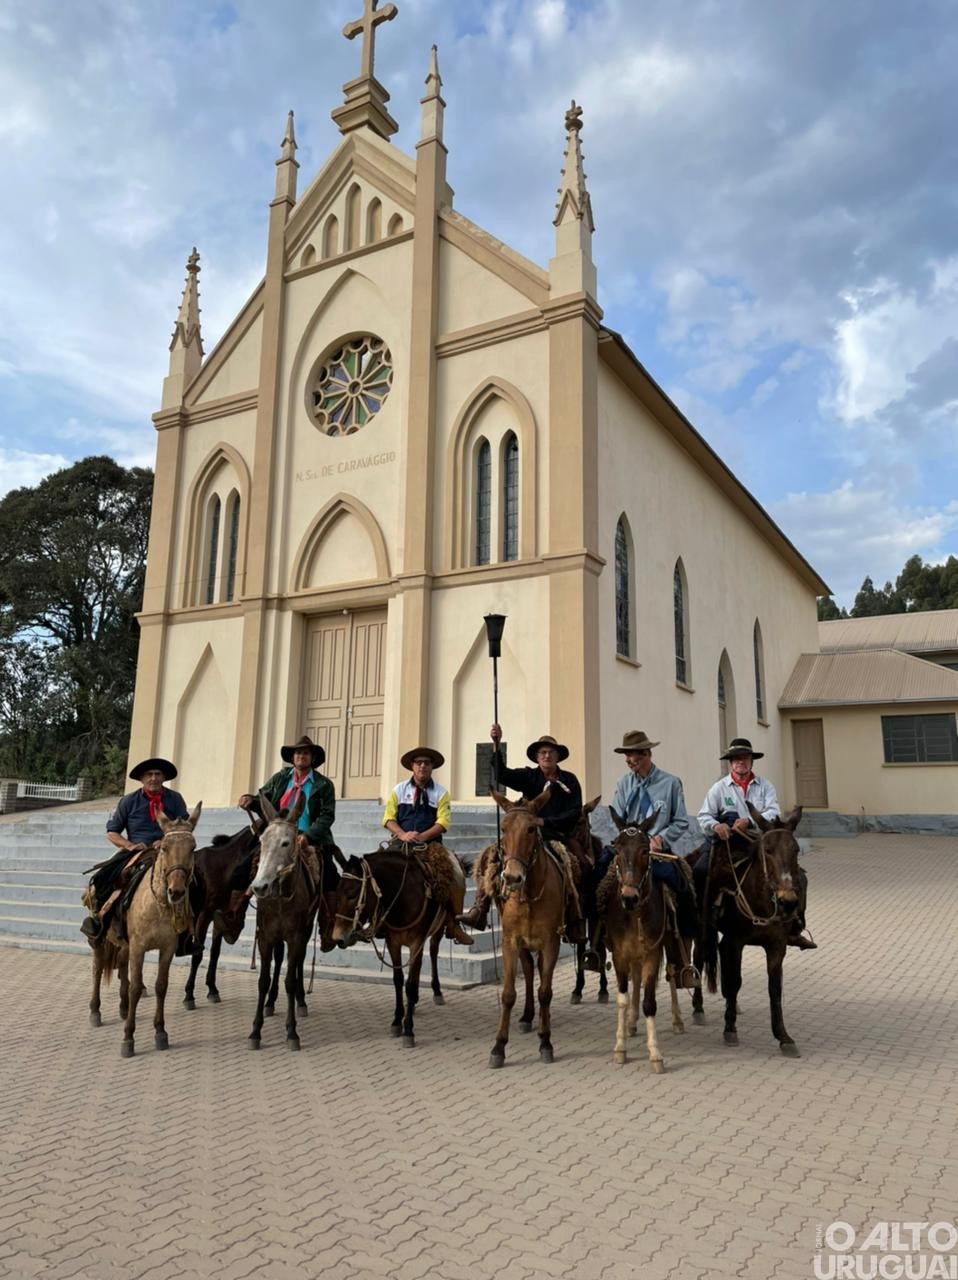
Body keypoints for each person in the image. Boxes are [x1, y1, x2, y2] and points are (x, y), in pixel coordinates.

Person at [458, 726, 585, 940]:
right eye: (542, 752)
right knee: (492, 855)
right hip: (524, 835)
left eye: (551, 752)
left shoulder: (569, 780)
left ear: (557, 757)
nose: (547, 756)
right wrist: (497, 744)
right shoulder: (529, 776)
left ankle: (574, 920)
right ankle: (480, 907)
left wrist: (545, 821)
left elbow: (574, 812)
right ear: (537, 757)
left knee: (576, 864)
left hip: (556, 835)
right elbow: (502, 774)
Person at [583, 730, 694, 972]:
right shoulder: (624, 783)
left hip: (656, 850)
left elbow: (682, 821)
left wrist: (660, 839)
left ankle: (683, 957)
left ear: (645, 754)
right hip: (627, 848)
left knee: (682, 885)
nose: (627, 760)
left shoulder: (671, 783)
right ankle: (595, 947)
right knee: (597, 875)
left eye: (630, 755)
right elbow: (619, 819)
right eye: (625, 755)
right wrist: (626, 841)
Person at [697, 737, 815, 949]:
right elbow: (704, 815)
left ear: (751, 761)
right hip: (727, 843)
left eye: (744, 758)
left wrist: (750, 821)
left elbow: (773, 812)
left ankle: (795, 925)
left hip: (759, 841)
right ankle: (705, 920)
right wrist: (716, 826)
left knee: (800, 876)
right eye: (735, 759)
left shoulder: (765, 786)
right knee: (700, 870)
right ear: (730, 763)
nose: (740, 762)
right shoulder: (719, 788)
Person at [81, 757, 190, 941]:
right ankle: (99, 922)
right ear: (142, 779)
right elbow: (112, 832)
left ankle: (189, 933)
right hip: (135, 851)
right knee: (101, 878)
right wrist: (129, 845)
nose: (153, 778)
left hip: (169, 851)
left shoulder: (175, 799)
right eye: (149, 774)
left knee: (197, 880)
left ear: (164, 778)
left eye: (158, 774)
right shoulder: (129, 801)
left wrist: (164, 841)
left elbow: (184, 826)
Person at [382, 746, 473, 946]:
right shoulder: (399, 790)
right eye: (418, 763)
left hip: (431, 844)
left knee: (454, 875)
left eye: (427, 763)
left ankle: (454, 924)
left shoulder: (441, 793)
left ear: (432, 768)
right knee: (377, 871)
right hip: (401, 841)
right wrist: (402, 834)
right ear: (412, 767)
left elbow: (443, 823)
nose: (422, 766)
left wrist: (421, 837)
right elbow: (388, 818)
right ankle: (376, 920)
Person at [237, 734, 337, 898]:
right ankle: (235, 911)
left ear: (312, 758)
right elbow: (263, 798)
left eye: (305, 753)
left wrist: (309, 836)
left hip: (307, 836)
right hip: (277, 834)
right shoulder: (281, 778)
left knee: (331, 877)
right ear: (292, 757)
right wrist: (250, 800)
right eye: (298, 753)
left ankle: (328, 918)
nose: (301, 756)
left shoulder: (324, 784)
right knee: (243, 866)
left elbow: (327, 816)